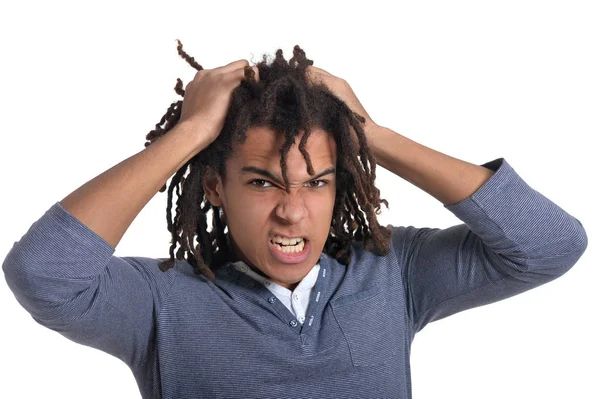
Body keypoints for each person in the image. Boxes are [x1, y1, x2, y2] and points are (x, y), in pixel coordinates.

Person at [2, 42, 588, 399]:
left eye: (318, 181)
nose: (293, 209)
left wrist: (372, 135)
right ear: (215, 186)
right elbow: (43, 274)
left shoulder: (394, 276)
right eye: (262, 182)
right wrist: (191, 134)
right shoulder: (159, 301)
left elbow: (549, 244)